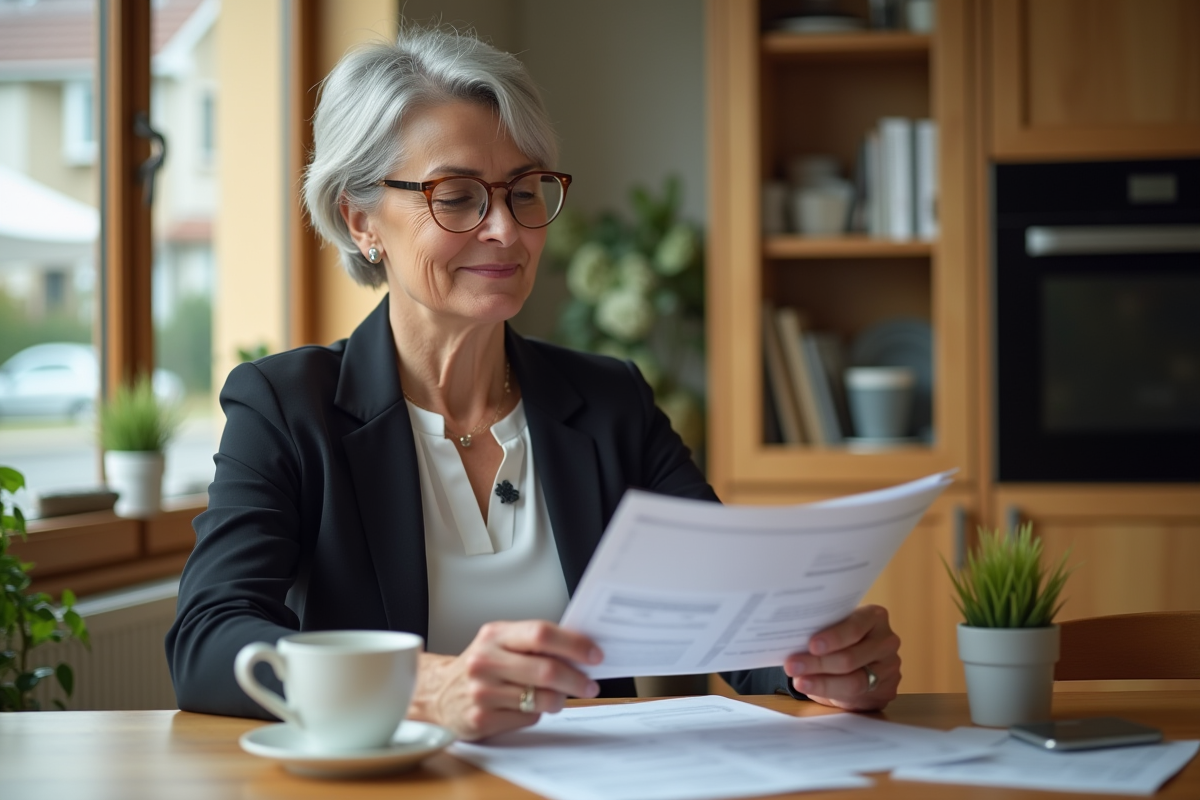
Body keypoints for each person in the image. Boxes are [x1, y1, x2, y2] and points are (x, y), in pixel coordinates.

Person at [165, 25, 902, 742]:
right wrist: (422, 687)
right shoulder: (286, 406)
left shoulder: (610, 401)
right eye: (456, 196)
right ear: (361, 221)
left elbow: (736, 625)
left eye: (524, 191)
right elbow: (208, 641)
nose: (507, 231)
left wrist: (818, 659)